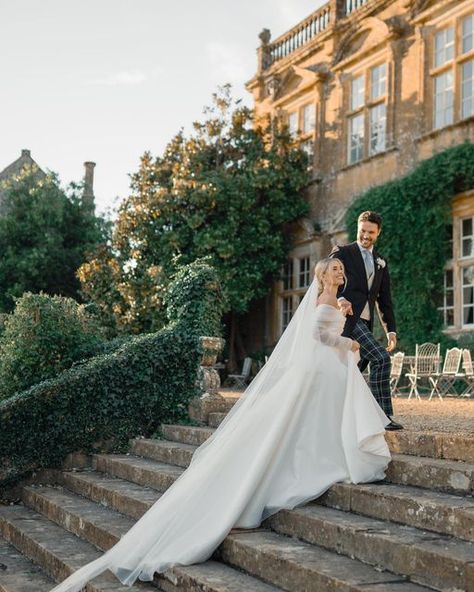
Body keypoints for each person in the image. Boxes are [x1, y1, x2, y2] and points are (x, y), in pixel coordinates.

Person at [49, 257, 390, 592]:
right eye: (335, 268)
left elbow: (324, 327)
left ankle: (331, 452)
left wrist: (342, 316)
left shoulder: (332, 299)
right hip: (321, 366)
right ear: (322, 274)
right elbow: (320, 335)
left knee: (321, 414)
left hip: (323, 368)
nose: (340, 272)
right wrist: (348, 340)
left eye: (341, 269)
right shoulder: (325, 297)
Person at [330, 210, 403, 431]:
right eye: (363, 231)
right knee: (381, 359)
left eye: (371, 232)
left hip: (366, 323)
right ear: (358, 228)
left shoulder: (381, 261)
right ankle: (383, 416)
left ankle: (338, 414)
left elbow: (384, 299)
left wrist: (390, 330)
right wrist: (341, 298)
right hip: (347, 320)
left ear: (378, 232)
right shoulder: (343, 252)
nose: (365, 236)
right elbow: (326, 280)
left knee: (351, 372)